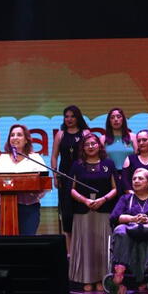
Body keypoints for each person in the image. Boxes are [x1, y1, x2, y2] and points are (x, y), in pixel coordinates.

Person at [109, 168, 148, 291]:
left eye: (140, 178)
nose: (136, 181)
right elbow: (114, 217)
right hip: (130, 229)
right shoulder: (126, 198)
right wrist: (133, 219)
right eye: (134, 179)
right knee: (119, 230)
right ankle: (120, 267)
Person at [69, 133, 116, 292]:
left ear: (99, 146)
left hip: (104, 209)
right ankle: (86, 279)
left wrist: (103, 199)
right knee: (86, 246)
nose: (90, 146)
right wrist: (85, 200)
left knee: (102, 246)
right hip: (83, 211)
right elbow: (72, 190)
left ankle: (101, 279)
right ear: (83, 147)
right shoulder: (77, 165)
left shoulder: (108, 164)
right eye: (87, 144)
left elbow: (116, 188)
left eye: (93, 143)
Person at [0, 124, 49, 235]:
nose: (15, 137)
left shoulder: (35, 158)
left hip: (29, 208)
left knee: (27, 244)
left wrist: (34, 193)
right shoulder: (2, 159)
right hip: (4, 208)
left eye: (19, 135)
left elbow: (44, 182)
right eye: (12, 135)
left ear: (26, 140)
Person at [50, 105, 91, 245]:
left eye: (72, 116)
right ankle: (69, 250)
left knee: (81, 210)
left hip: (81, 176)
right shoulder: (60, 134)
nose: (69, 119)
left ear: (78, 117)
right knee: (67, 214)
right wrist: (55, 176)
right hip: (64, 176)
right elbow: (54, 156)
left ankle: (84, 246)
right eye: (66, 116)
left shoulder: (85, 133)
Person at [99, 108, 137, 186]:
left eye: (118, 116)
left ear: (123, 119)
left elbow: (138, 158)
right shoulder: (103, 139)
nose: (116, 119)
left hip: (130, 176)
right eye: (112, 117)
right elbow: (100, 160)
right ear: (109, 121)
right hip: (109, 176)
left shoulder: (133, 137)